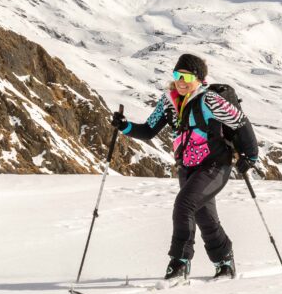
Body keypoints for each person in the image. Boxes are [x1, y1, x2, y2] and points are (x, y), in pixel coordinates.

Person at [111, 53, 259, 280]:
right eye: (177, 75)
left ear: (199, 79)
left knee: (183, 205)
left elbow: (240, 122)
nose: (180, 81)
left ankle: (179, 263)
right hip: (187, 167)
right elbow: (148, 130)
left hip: (215, 165)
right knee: (204, 218)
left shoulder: (210, 100)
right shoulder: (168, 102)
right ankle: (224, 261)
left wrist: (250, 156)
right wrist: (124, 126)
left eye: (186, 77)